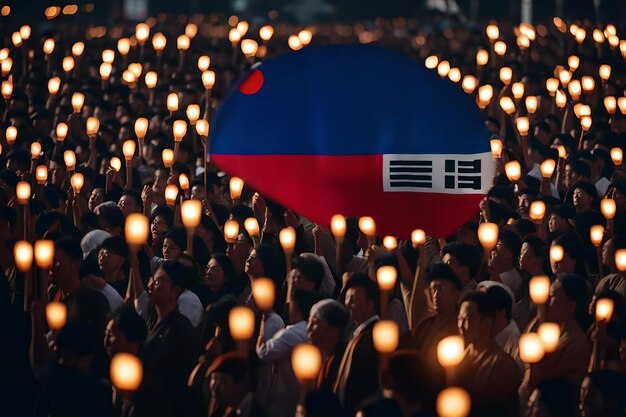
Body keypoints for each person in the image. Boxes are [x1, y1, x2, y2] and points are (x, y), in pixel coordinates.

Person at [138, 260, 200, 416]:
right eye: (152, 280)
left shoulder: (179, 329)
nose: (151, 285)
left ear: (176, 290)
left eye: (159, 281)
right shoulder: (157, 321)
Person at [256, 288, 320, 417]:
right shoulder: (311, 332)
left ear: (295, 307)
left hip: (281, 398)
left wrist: (264, 318)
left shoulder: (291, 334)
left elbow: (263, 353)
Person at [457, 291, 521, 416]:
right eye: (459, 319)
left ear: (486, 323)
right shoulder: (458, 356)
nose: (461, 326)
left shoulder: (501, 366)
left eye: (468, 319)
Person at [334, 273, 380, 415]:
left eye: (353, 299)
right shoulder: (358, 333)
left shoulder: (376, 336)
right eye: (347, 298)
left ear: (370, 303)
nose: (347, 303)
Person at [307, 299, 350, 391]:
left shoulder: (343, 361)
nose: (308, 328)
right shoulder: (312, 358)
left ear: (333, 330)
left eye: (315, 322)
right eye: (309, 321)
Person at [208, 353, 267, 417]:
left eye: (223, 382)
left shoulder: (259, 410)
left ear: (241, 384)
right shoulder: (219, 408)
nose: (215, 387)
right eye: (213, 379)